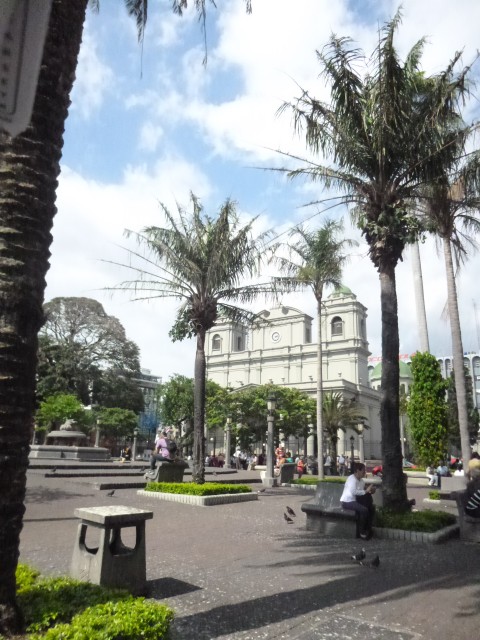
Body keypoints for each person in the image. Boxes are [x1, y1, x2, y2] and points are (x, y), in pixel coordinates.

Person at [340, 462, 376, 540]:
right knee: (364, 510)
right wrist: (366, 491)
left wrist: (371, 490)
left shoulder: (361, 481)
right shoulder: (352, 479)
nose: (364, 472)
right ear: (357, 471)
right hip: (347, 502)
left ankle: (368, 529)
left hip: (355, 501)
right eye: (363, 471)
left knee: (371, 509)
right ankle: (361, 531)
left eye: (365, 471)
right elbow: (353, 491)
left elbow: (363, 490)